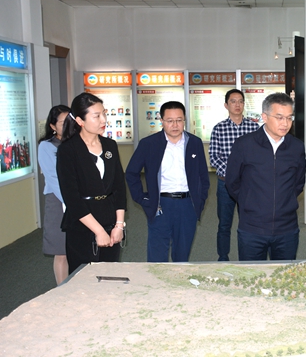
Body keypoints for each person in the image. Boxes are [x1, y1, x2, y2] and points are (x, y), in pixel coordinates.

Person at [226, 92, 306, 261]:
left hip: (286, 228)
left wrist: (286, 202)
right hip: (252, 228)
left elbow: (299, 182)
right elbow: (232, 182)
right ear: (264, 117)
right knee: (252, 274)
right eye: (279, 117)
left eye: (289, 118)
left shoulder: (296, 147)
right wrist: (249, 202)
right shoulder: (244, 145)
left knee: (284, 274)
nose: (285, 123)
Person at [126, 101, 209, 262]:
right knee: (157, 256)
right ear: (162, 121)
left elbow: (203, 176)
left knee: (182, 256)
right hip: (161, 204)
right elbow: (131, 173)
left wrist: (200, 199)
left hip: (187, 205)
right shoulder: (149, 143)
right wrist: (143, 199)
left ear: (184, 120)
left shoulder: (194, 142)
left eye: (179, 120)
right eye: (170, 121)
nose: (175, 125)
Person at [57, 93, 127, 274]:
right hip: (82, 224)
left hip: (110, 220)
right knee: (83, 277)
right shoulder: (68, 150)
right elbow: (71, 198)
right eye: (96, 116)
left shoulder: (110, 145)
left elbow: (119, 187)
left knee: (109, 275)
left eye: (104, 113)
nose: (103, 120)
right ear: (80, 120)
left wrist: (119, 225)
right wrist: (99, 231)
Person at [209, 89, 259, 261]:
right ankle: (223, 257)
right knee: (224, 224)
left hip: (249, 185)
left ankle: (247, 258)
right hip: (225, 184)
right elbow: (214, 157)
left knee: (248, 224)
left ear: (244, 104)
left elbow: (259, 156)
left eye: (240, 101)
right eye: (233, 101)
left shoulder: (254, 127)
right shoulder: (219, 129)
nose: (237, 105)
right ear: (226, 105)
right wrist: (233, 173)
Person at [38, 104, 70, 284]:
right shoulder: (46, 146)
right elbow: (53, 178)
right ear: (52, 126)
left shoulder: (78, 143)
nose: (68, 125)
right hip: (58, 202)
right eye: (62, 122)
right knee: (61, 251)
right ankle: (62, 290)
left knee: (78, 248)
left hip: (78, 200)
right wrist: (71, 202)